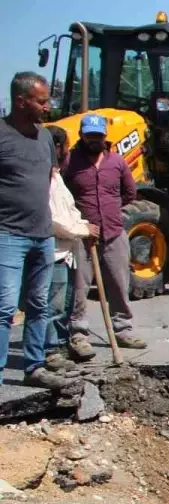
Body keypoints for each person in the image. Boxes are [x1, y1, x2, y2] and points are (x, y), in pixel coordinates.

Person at [0, 72, 75, 389]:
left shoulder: (45, 138)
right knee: (4, 308)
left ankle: (34, 366)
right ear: (21, 101)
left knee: (38, 305)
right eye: (41, 101)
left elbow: (47, 179)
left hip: (41, 235)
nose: (48, 107)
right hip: (7, 235)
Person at [62, 113, 146, 350]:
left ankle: (123, 330)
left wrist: (110, 210)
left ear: (104, 137)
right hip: (82, 235)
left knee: (119, 284)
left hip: (113, 231)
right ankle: (78, 335)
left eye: (98, 136)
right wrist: (78, 220)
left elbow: (130, 192)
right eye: (89, 136)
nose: (94, 140)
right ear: (81, 135)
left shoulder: (116, 162)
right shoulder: (71, 162)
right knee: (79, 287)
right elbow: (61, 193)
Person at [45, 125, 93, 371]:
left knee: (65, 304)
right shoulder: (45, 179)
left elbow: (69, 213)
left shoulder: (56, 177)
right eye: (67, 146)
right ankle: (51, 353)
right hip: (54, 252)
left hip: (67, 252)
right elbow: (54, 219)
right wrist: (83, 230)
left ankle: (61, 347)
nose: (69, 152)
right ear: (57, 148)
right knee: (53, 306)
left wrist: (83, 224)